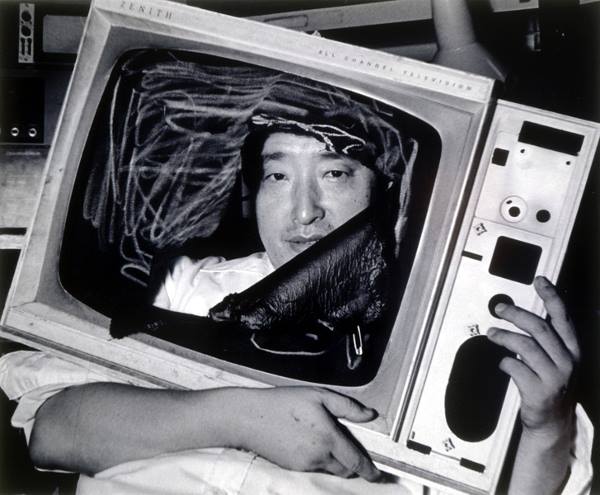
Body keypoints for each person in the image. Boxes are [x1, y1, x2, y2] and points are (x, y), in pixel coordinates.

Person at [0, 91, 593, 494]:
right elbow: (52, 431)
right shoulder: (188, 287)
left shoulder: (448, 337)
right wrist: (239, 417)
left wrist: (545, 428)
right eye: (278, 175)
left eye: (335, 173)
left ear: (390, 194)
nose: (303, 211)